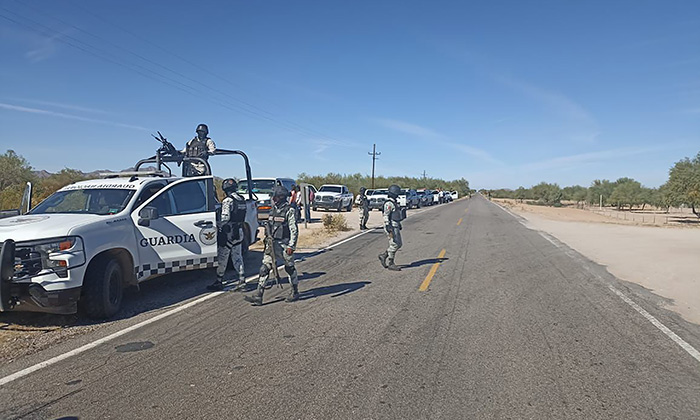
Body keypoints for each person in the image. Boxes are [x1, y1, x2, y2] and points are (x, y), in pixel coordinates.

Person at [244, 185, 300, 305]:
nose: (273, 198)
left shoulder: (289, 210)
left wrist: (292, 246)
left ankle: (295, 291)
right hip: (272, 245)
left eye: (275, 196)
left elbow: (293, 229)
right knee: (264, 268)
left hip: (285, 245)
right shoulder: (273, 209)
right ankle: (259, 295)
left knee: (289, 268)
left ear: (281, 197)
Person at [207, 178, 247, 291]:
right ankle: (242, 280)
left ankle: (219, 281)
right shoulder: (241, 199)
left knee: (223, 257)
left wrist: (216, 224)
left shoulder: (227, 201)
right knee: (237, 257)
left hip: (228, 232)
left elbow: (225, 218)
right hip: (239, 231)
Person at [378, 184, 404, 271]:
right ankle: (391, 263)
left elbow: (395, 215)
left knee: (398, 244)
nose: (397, 195)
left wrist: (399, 224)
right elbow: (386, 215)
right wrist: (388, 226)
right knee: (395, 244)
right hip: (391, 226)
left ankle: (384, 255)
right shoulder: (389, 203)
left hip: (395, 225)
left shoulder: (394, 202)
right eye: (396, 193)